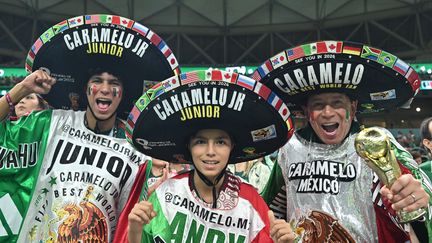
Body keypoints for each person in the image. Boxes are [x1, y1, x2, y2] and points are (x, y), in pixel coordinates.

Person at [0, 14, 179, 242]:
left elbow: (132, 228)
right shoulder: (51, 124)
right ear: (86, 89)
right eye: (97, 81)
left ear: (122, 95)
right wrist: (23, 88)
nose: (104, 89)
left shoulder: (137, 154)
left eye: (114, 83)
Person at [253, 41, 432, 242]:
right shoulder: (290, 147)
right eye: (318, 105)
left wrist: (418, 199)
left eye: (337, 103)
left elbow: (419, 196)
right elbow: (267, 206)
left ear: (353, 108)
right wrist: (277, 228)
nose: (328, 112)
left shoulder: (376, 142)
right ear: (306, 113)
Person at [120, 70, 296, 242]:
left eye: (220, 142)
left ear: (232, 147)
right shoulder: (166, 193)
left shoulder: (251, 202)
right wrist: (135, 232)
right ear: (189, 147)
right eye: (200, 142)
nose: (210, 151)